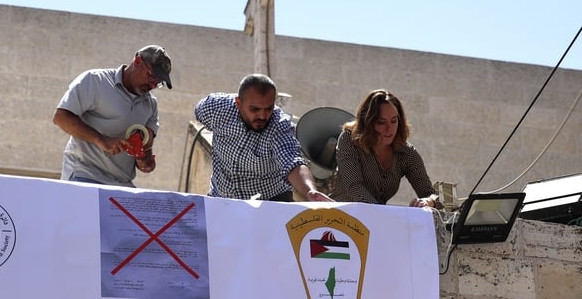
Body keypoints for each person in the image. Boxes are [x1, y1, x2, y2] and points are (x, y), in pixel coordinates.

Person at [193, 73, 332, 202]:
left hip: (270, 201)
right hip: (221, 200)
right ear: (238, 103)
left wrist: (310, 190)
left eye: (268, 108)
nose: (262, 116)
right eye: (254, 109)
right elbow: (198, 112)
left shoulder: (279, 125)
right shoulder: (216, 109)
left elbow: (292, 162)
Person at [53, 45, 172, 187]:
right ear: (138, 61)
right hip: (85, 174)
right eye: (151, 75)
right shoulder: (96, 81)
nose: (153, 85)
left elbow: (146, 148)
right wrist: (101, 140)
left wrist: (145, 162)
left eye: (158, 83)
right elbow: (61, 117)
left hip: (122, 183)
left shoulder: (151, 105)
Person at [331, 89, 441, 208]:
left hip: (376, 222)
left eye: (394, 121)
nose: (389, 129)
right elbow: (354, 187)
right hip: (340, 219)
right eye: (381, 122)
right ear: (368, 122)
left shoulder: (407, 154)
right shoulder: (349, 139)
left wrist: (429, 201)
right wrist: (383, 214)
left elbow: (431, 194)